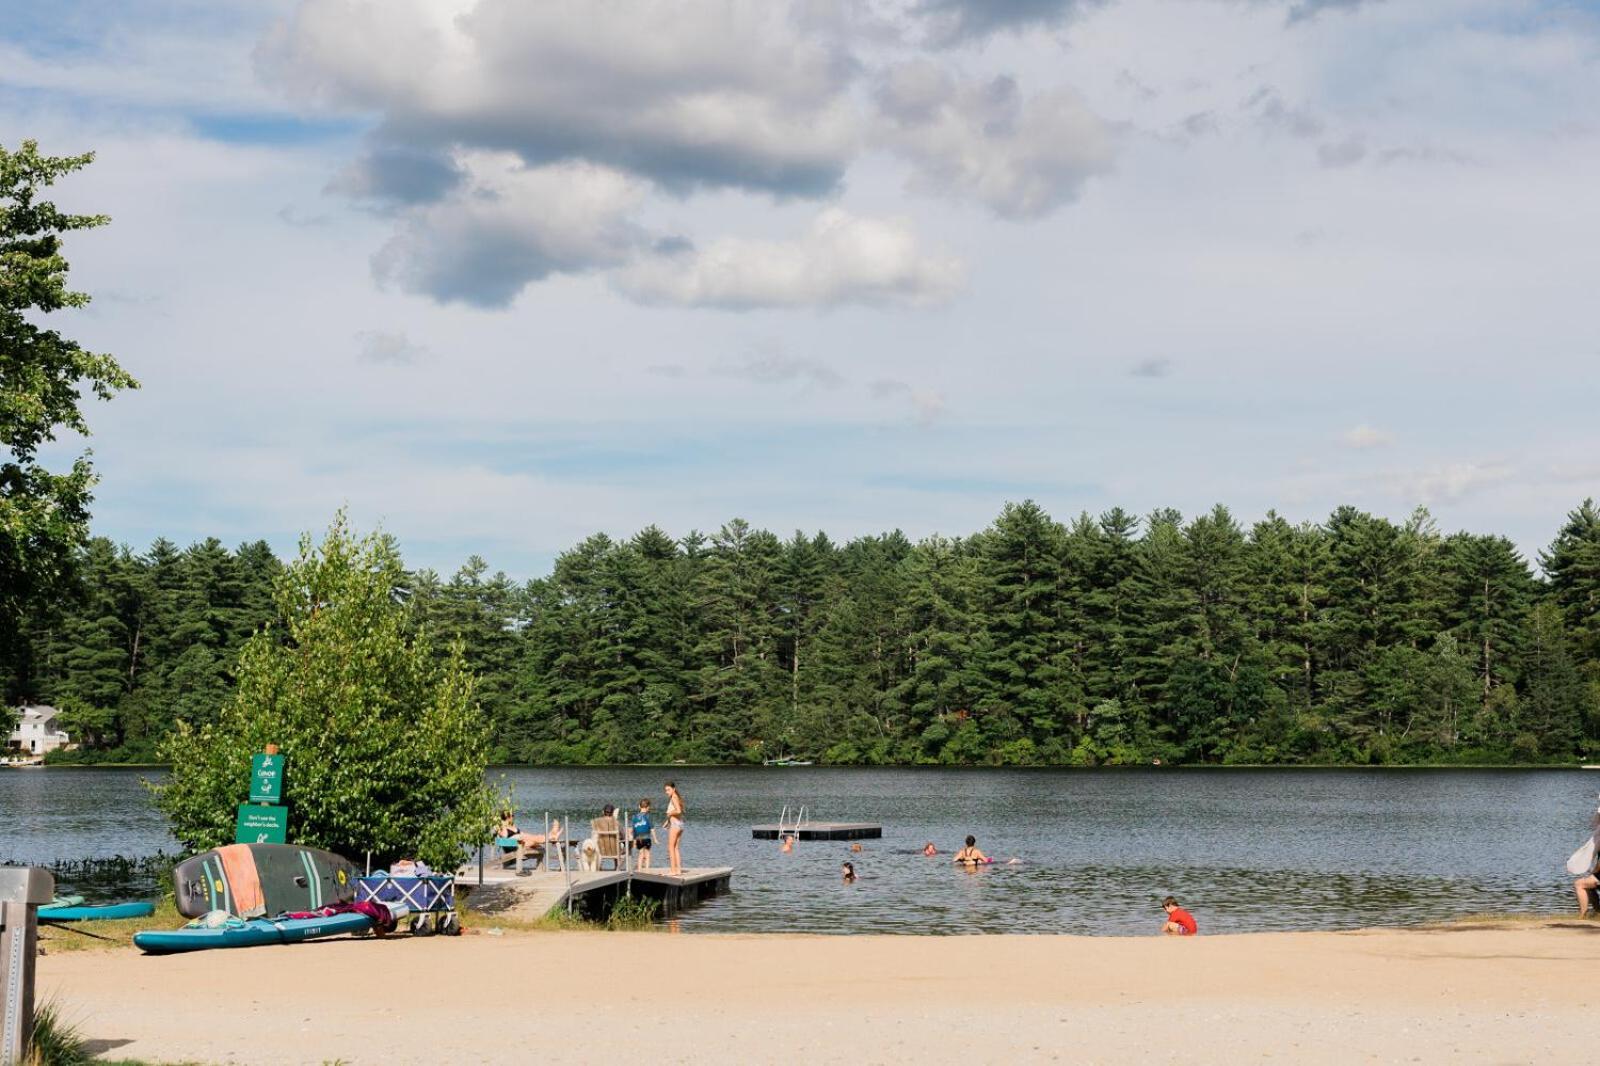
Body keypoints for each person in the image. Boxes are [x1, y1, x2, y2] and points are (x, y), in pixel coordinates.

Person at [664, 781, 685, 874]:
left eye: (668, 790)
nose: (667, 792)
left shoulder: (674, 797)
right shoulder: (677, 797)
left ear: (674, 789)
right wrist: (667, 821)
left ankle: (673, 870)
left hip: (675, 825)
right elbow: (678, 812)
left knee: (671, 848)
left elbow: (678, 811)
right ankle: (678, 870)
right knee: (676, 848)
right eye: (666, 790)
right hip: (680, 824)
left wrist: (669, 813)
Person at [631, 800, 656, 870]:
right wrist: (655, 839)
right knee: (647, 854)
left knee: (640, 853)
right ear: (648, 807)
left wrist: (634, 840)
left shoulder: (634, 817)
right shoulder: (648, 816)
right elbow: (652, 829)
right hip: (647, 837)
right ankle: (647, 869)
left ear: (639, 806)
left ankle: (639, 869)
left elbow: (633, 829)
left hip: (638, 838)